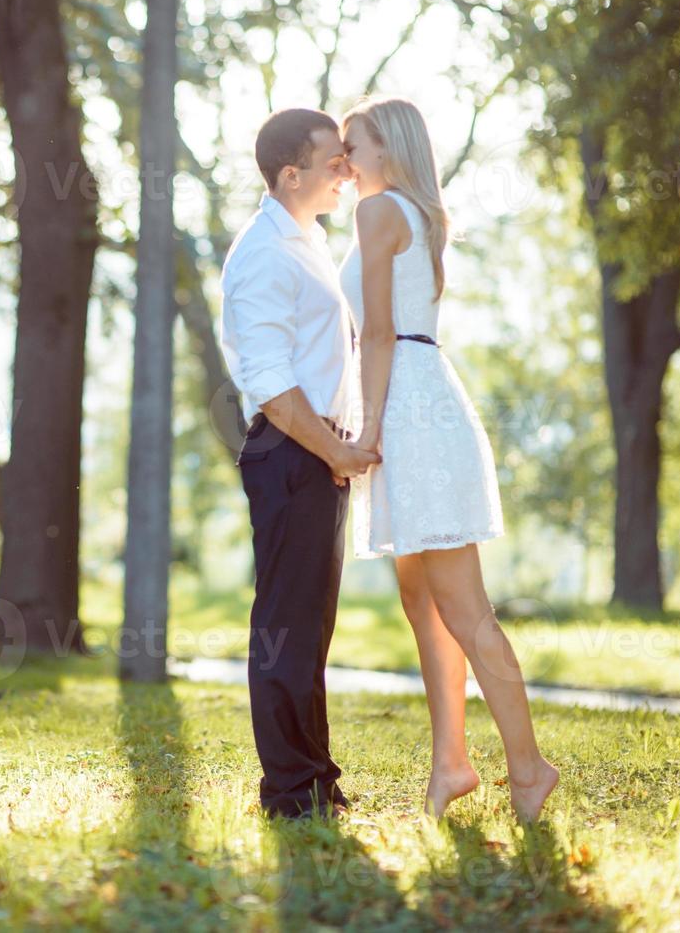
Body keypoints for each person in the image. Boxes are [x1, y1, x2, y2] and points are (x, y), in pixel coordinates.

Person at [337, 95, 559, 821]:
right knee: (419, 600)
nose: (344, 160)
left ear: (389, 149)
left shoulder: (379, 212)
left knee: (463, 608)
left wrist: (363, 431)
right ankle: (451, 764)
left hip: (409, 412)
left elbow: (376, 333)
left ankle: (528, 770)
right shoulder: (416, 213)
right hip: (416, 398)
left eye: (353, 145)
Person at [218, 108, 379, 821]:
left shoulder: (305, 242)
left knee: (312, 629)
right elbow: (272, 386)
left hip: (316, 453)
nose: (345, 172)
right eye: (332, 162)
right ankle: (288, 793)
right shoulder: (263, 253)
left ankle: (315, 779)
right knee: (285, 626)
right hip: (291, 453)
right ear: (292, 175)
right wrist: (335, 449)